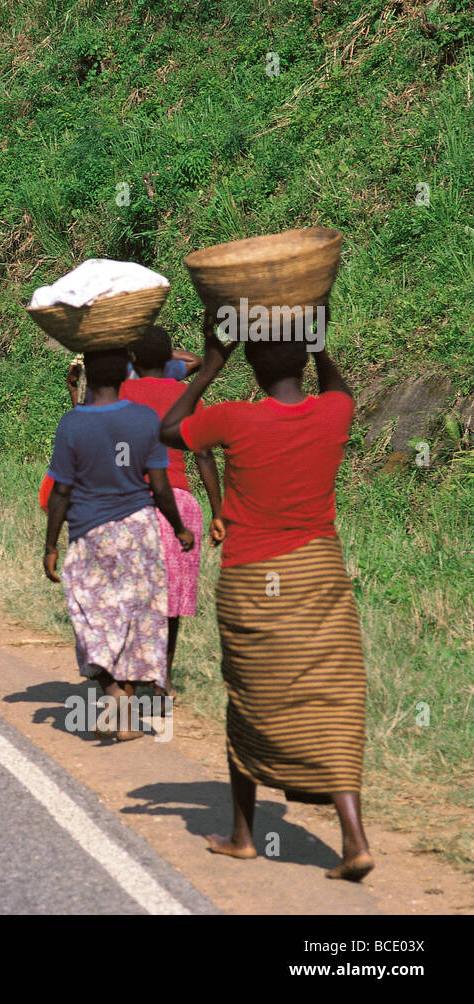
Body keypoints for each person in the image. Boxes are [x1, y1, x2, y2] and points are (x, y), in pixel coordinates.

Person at [159, 314, 372, 881]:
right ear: (304, 360)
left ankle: (244, 836)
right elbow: (340, 388)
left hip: (254, 583)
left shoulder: (232, 419)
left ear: (250, 365)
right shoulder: (334, 412)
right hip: (320, 577)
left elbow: (169, 431)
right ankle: (354, 839)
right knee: (335, 698)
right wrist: (319, 344)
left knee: (249, 703)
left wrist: (208, 367)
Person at [43, 348, 195, 739]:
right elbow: (159, 484)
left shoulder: (73, 423)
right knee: (133, 618)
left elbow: (60, 491)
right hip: (138, 533)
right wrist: (178, 527)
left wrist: (51, 546)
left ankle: (113, 694)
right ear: (124, 377)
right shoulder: (143, 419)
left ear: (89, 378)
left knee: (92, 617)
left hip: (91, 535)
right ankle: (126, 707)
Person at [120, 326, 225, 695]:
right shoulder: (186, 394)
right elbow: (203, 453)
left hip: (130, 502)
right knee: (172, 601)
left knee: (133, 598)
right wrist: (218, 512)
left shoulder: (121, 390)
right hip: (179, 503)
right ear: (169, 362)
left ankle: (128, 685)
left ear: (132, 358)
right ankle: (160, 679)